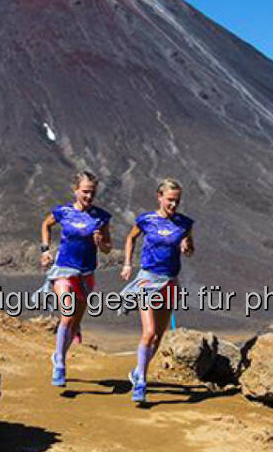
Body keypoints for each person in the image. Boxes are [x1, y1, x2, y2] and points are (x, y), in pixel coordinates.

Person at [120, 178, 195, 405]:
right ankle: (141, 381)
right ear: (159, 197)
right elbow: (131, 238)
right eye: (170, 200)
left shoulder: (184, 223)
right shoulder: (146, 220)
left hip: (169, 282)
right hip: (148, 280)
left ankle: (137, 371)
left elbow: (190, 250)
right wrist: (127, 264)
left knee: (159, 336)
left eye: (177, 201)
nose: (173, 205)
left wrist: (187, 246)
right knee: (149, 332)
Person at [39, 171, 112, 388]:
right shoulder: (63, 212)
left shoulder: (101, 217)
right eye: (85, 192)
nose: (89, 196)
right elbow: (46, 224)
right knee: (67, 314)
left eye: (92, 192)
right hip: (63, 270)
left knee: (75, 323)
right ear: (75, 190)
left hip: (86, 274)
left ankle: (59, 353)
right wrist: (45, 250)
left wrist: (100, 243)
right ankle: (60, 364)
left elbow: (108, 249)